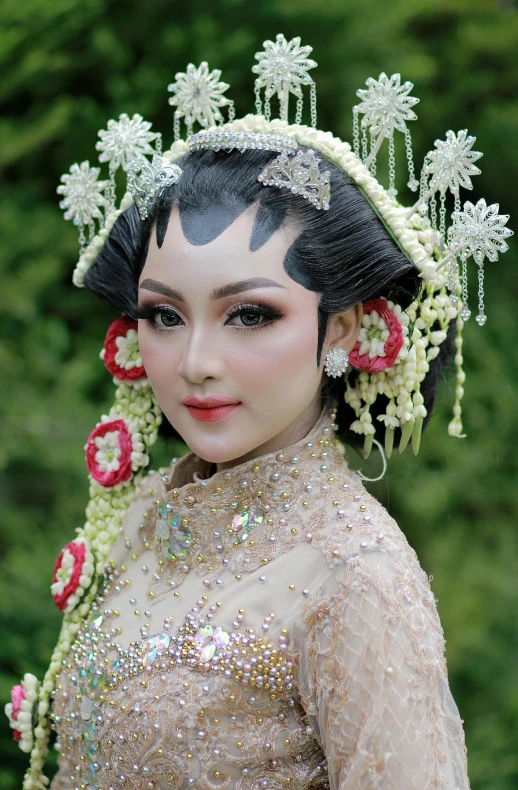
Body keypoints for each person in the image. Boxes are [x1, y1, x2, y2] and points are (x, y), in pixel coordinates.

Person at [7, 33, 512, 790]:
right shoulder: (144, 514)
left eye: (248, 315)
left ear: (341, 327)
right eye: (165, 316)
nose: (195, 361)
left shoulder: (354, 580)